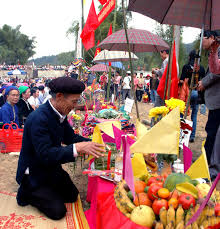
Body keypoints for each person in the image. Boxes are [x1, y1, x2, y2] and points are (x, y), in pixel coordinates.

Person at [16, 77, 105, 220]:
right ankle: (27, 191)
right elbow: (45, 154)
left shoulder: (59, 114)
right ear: (59, 97)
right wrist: (77, 148)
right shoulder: (39, 118)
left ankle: (47, 190)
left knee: (71, 195)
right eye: (74, 102)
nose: (75, 106)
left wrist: (94, 143)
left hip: (50, 167)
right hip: (34, 171)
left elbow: (71, 138)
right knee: (58, 212)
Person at [197, 30, 220, 179]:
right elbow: (215, 69)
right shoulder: (215, 50)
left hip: (218, 100)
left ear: (211, 37)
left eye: (202, 39)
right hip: (214, 101)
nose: (201, 43)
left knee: (213, 134)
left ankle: (209, 169)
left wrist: (204, 82)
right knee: (212, 133)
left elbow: (217, 72)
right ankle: (207, 165)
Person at [180, 50, 206, 142]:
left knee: (182, 114)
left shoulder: (186, 67)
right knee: (194, 115)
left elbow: (182, 81)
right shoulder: (202, 68)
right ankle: (192, 136)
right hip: (197, 93)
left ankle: (182, 135)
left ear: (189, 57)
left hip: (187, 92)